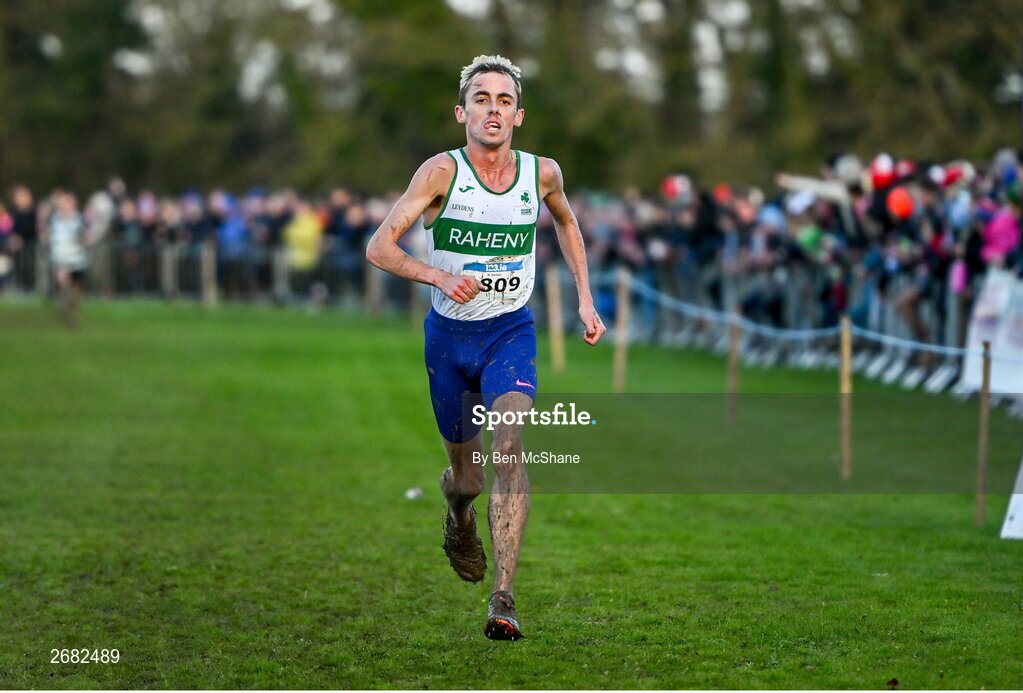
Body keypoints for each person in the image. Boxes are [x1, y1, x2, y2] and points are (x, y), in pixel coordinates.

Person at [366, 55, 605, 641]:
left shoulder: (541, 173)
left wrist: (584, 298)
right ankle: (458, 514)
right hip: (449, 339)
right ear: (462, 111)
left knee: (511, 444)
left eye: (503, 101)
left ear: (517, 115)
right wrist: (439, 277)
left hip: (509, 332)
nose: (492, 110)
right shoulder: (439, 174)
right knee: (467, 478)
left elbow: (567, 224)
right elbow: (379, 248)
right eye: (481, 99)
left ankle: (504, 598)